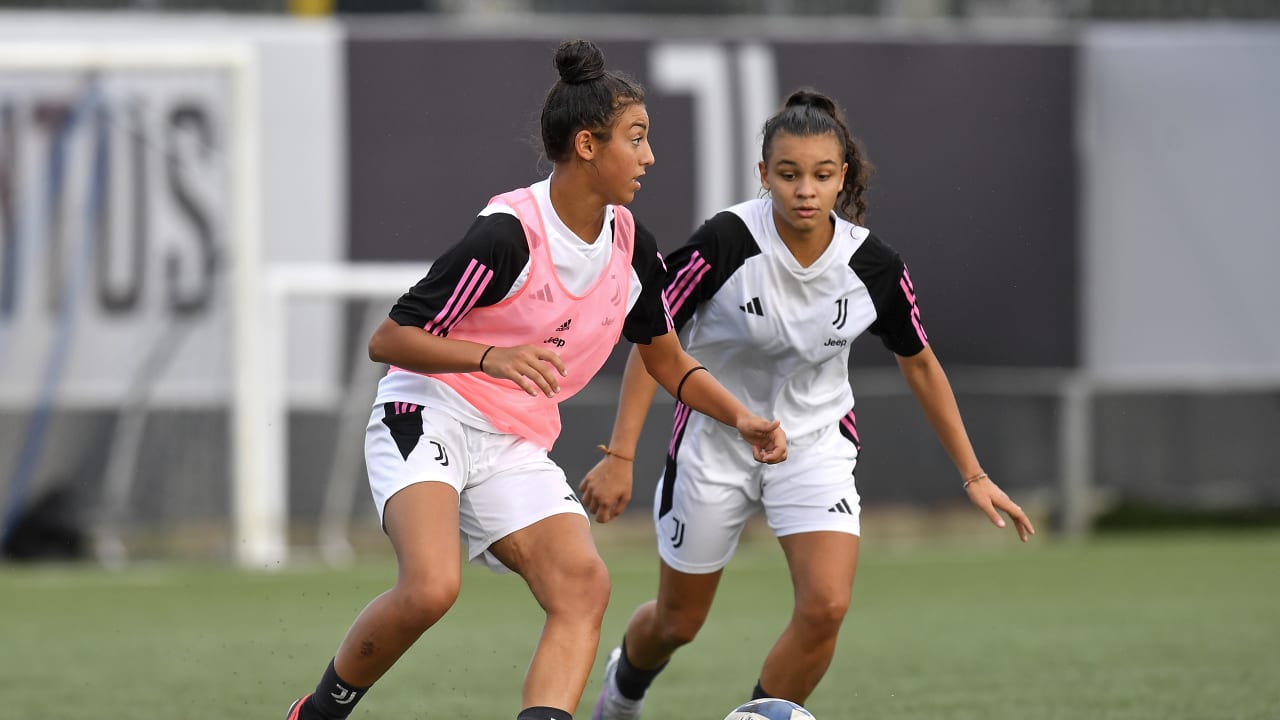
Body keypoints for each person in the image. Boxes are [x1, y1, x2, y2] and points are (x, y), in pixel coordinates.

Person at [284, 40, 787, 720]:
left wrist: (742, 417)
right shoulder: (509, 235)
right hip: (429, 411)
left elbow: (664, 358)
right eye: (636, 139)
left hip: (514, 440)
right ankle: (315, 715)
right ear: (586, 144)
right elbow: (390, 338)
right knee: (431, 588)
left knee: (583, 585)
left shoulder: (632, 245)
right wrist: (491, 359)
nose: (649, 157)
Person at [579, 88, 1036, 719]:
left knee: (826, 607)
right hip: (715, 444)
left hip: (815, 445)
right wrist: (622, 453)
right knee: (678, 622)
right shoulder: (725, 242)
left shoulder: (873, 266)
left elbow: (922, 366)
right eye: (788, 174)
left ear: (843, 176)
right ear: (763, 175)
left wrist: (975, 475)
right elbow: (652, 343)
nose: (805, 190)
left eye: (822, 175)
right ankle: (624, 689)